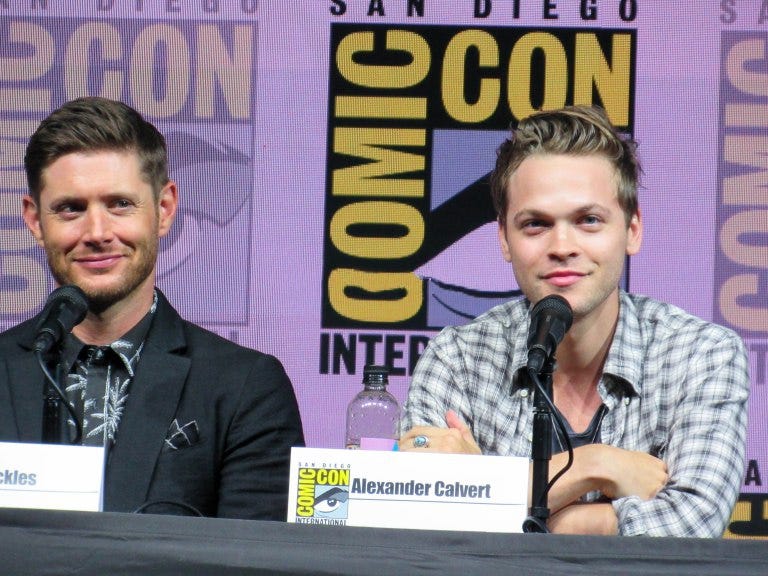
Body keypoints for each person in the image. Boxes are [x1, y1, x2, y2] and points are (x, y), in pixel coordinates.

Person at [399, 106, 750, 537]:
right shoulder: (457, 356)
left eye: (588, 220)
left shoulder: (701, 354)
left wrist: (490, 500)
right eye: (535, 224)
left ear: (632, 229)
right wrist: (593, 465)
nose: (562, 245)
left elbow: (691, 524)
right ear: (504, 240)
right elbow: (417, 516)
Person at [0, 97, 305, 520]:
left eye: (120, 204)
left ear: (164, 210)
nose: (97, 232)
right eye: (71, 208)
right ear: (34, 220)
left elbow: (257, 563)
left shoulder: (244, 389)